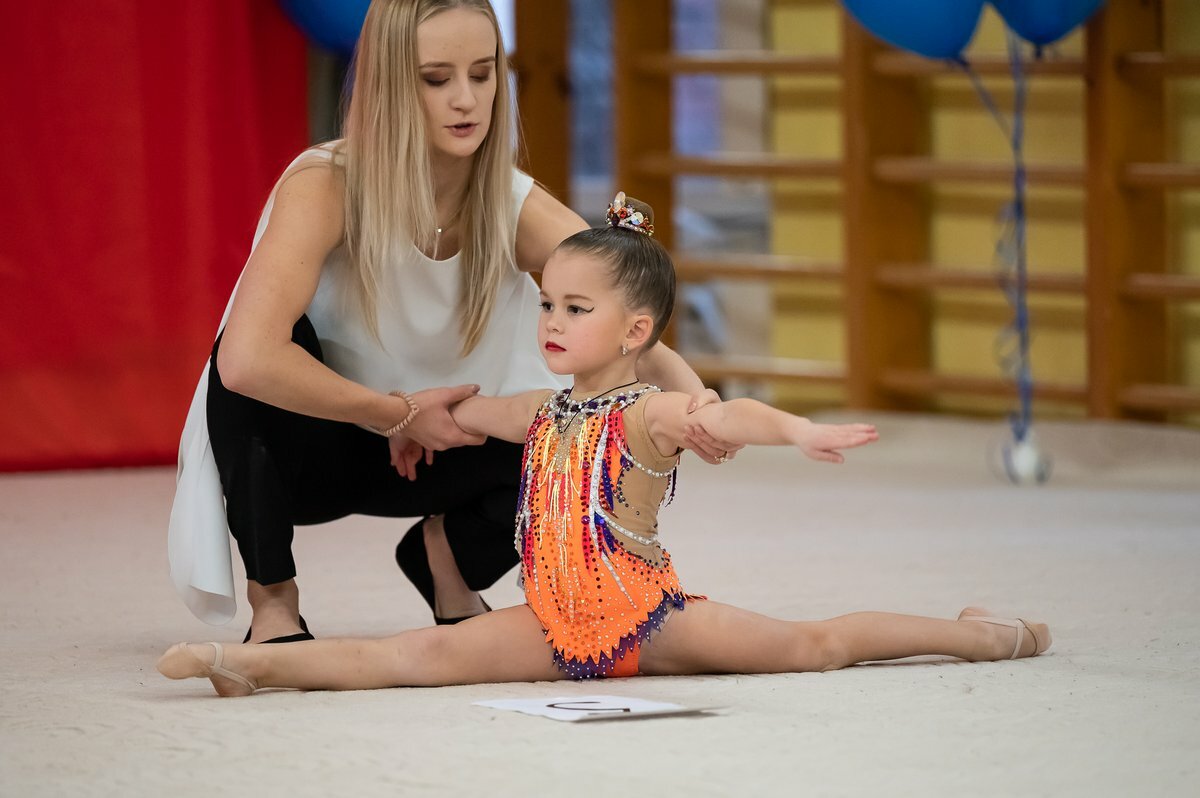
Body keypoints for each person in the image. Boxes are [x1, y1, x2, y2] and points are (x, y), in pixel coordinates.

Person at [157, 193, 1052, 696]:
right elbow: (462, 419)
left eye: (574, 310)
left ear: (634, 332)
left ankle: (983, 637)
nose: (550, 320)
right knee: (410, 657)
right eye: (546, 303)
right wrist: (409, 418)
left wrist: (798, 430)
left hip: (650, 621)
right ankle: (237, 661)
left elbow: (725, 415)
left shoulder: (645, 413)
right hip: (551, 629)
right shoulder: (541, 414)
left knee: (814, 647)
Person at [167, 0, 733, 643]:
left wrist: (696, 406)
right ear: (388, 85)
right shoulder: (324, 185)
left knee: (593, 415)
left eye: (483, 74)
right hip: (315, 447)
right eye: (436, 79)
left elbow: (624, 320)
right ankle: (274, 600)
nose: (466, 99)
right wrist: (395, 411)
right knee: (252, 357)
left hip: (448, 445)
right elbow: (246, 360)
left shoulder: (513, 203)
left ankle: (449, 559)